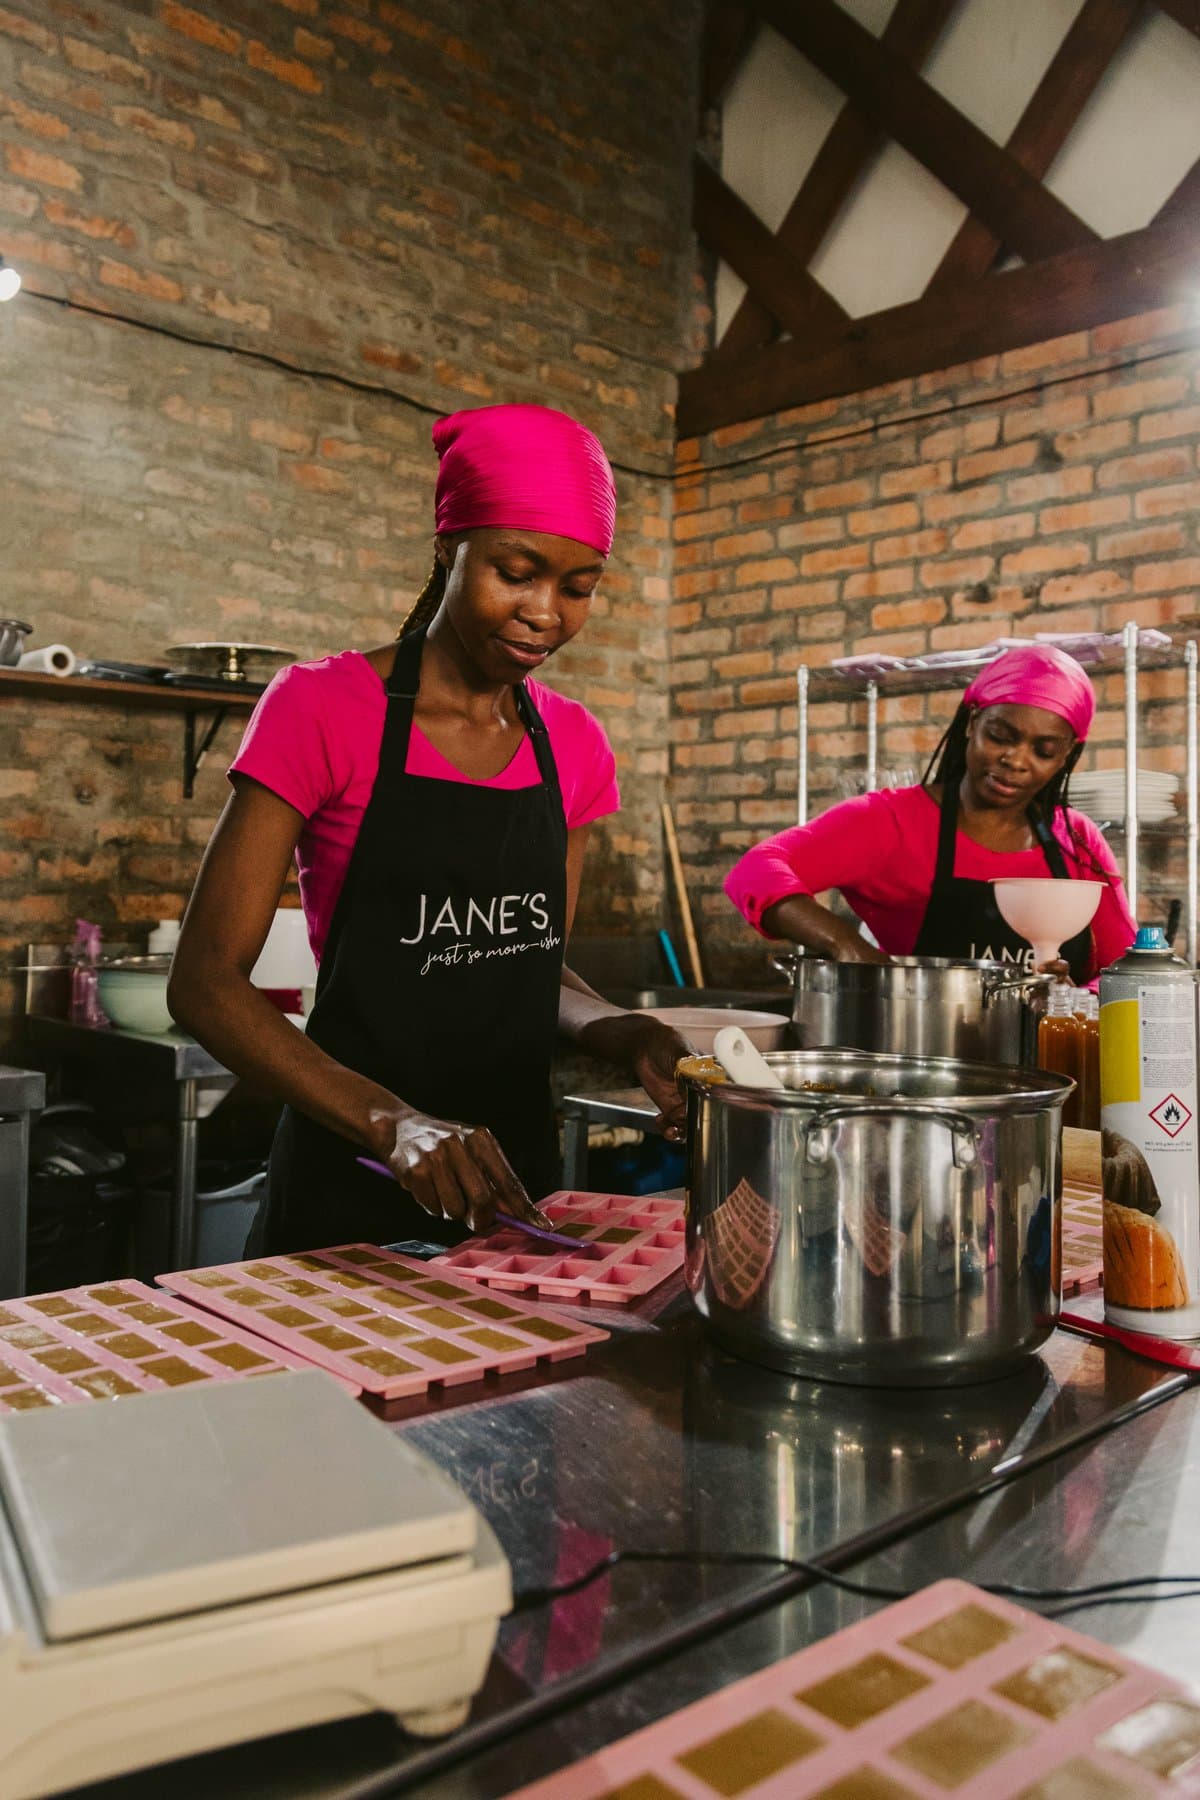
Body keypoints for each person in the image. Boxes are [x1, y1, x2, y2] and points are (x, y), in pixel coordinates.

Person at [168, 403, 689, 1254]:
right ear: (449, 550)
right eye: (516, 572)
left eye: (579, 585)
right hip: (350, 1186)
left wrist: (623, 1029)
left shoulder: (576, 748)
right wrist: (394, 1122)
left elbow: (525, 964)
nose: (545, 612)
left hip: (511, 1194)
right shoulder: (324, 709)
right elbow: (204, 983)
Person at [724, 643, 1136, 982]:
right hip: (924, 1056)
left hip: (1054, 1072)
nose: (1016, 760)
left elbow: (1127, 970)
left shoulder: (1077, 839)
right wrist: (848, 945)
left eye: (1043, 751)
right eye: (1000, 735)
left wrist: (1079, 998)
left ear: (1066, 756)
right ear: (973, 722)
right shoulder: (892, 821)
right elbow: (757, 869)